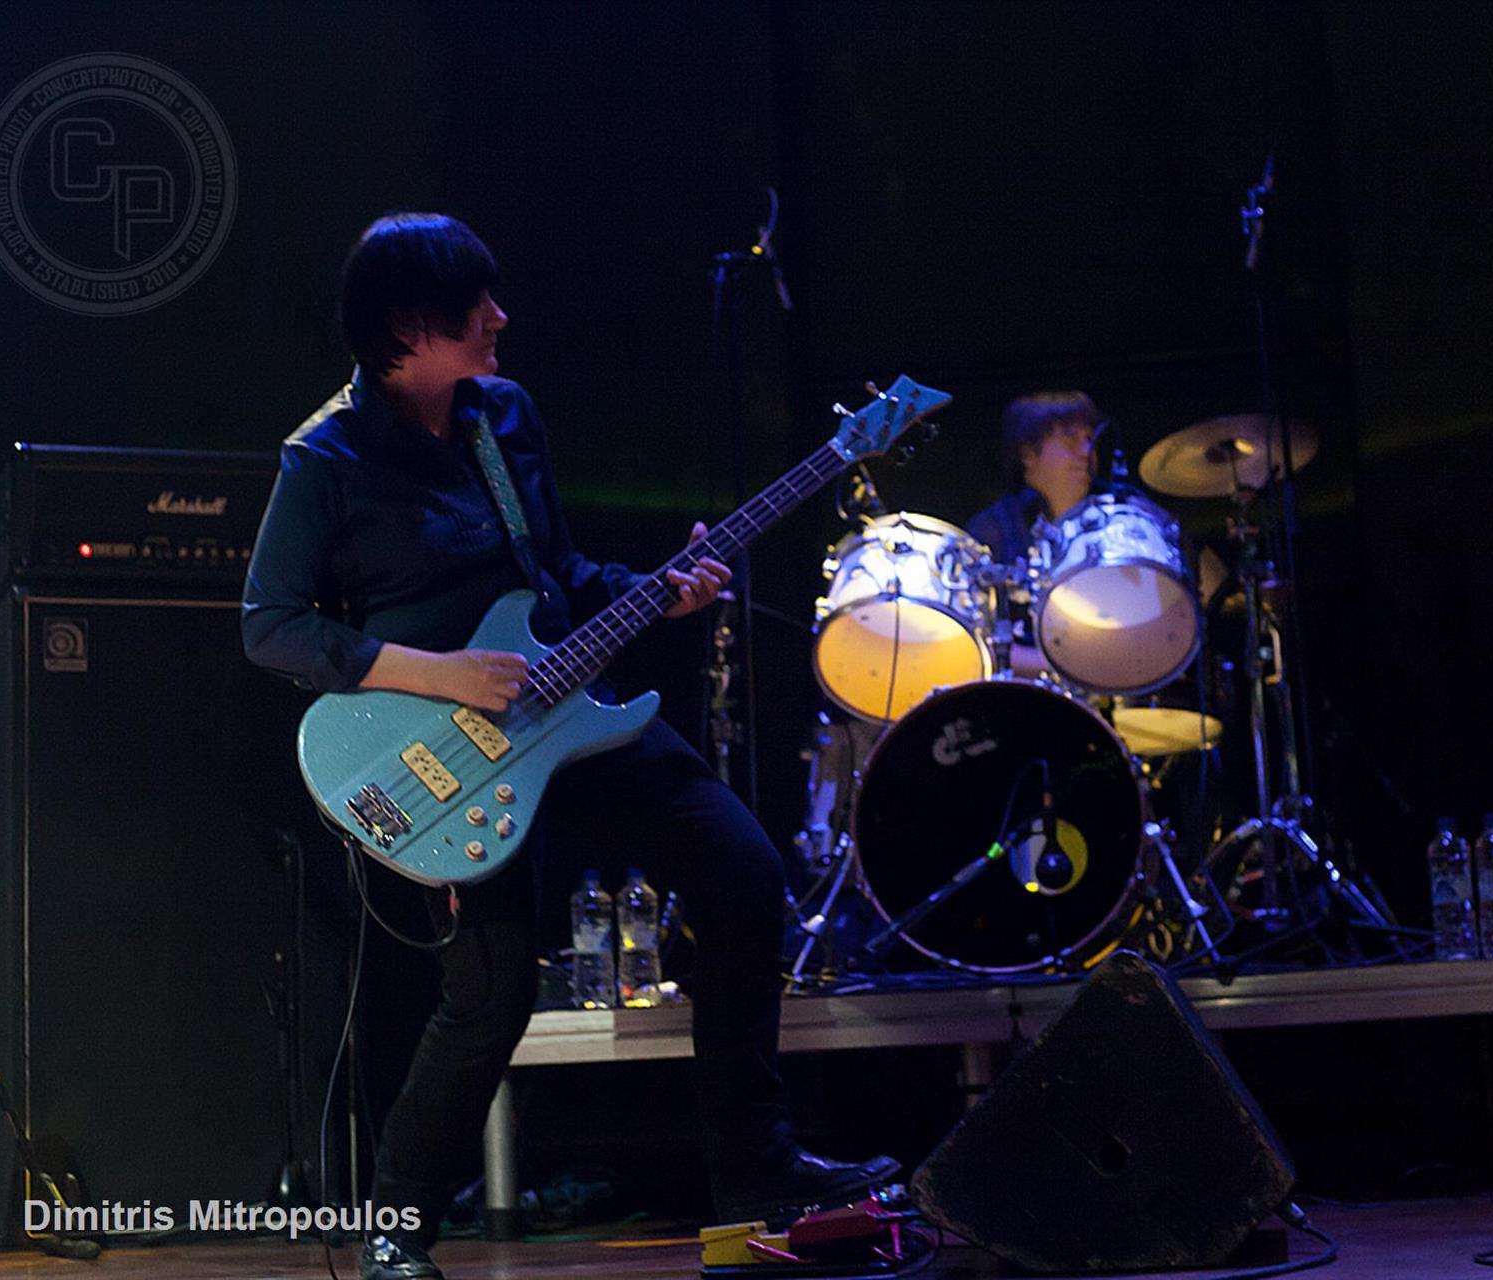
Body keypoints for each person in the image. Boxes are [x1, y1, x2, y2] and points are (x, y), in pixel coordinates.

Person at [242, 212, 893, 1280]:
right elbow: (269, 626)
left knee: (742, 872)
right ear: (409, 327)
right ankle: (398, 1226)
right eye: (479, 306)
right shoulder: (326, 457)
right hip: (442, 750)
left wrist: (658, 593)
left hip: (570, 710)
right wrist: (438, 672)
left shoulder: (505, 416)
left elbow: (559, 576)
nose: (502, 319)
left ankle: (758, 1168)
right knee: (489, 998)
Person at [964, 390, 1102, 676]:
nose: (1086, 451)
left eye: (1089, 439)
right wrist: (1072, 668)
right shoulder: (992, 532)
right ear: (1028, 453)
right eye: (1070, 440)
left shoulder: (1109, 524)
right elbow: (972, 642)